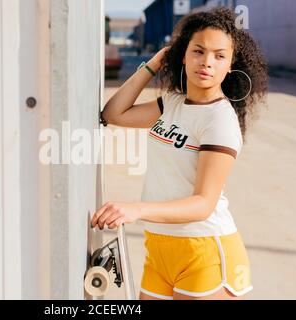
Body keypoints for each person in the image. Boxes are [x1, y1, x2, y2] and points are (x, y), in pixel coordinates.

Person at [91, 7, 268, 300]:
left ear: (230, 65)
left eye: (219, 56)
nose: (206, 62)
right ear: (182, 54)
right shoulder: (171, 104)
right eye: (198, 51)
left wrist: (136, 209)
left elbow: (203, 203)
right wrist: (153, 64)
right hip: (160, 249)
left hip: (205, 252)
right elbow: (113, 113)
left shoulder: (220, 120)